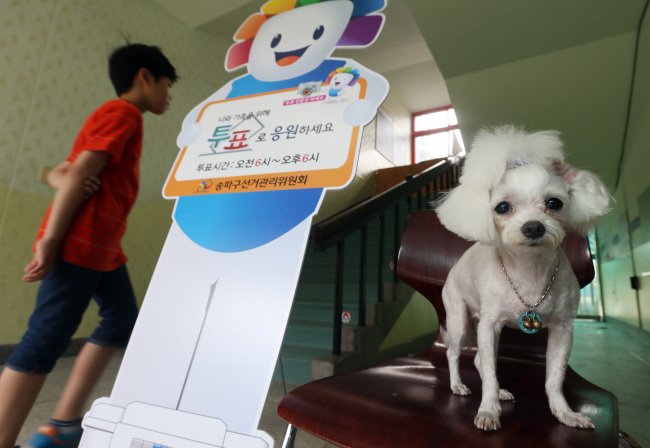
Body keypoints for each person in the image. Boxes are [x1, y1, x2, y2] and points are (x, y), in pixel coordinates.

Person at [0, 43, 177, 448]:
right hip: (81, 244)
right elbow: (77, 169)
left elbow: (63, 170)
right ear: (144, 76)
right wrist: (50, 240)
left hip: (104, 248)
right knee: (46, 339)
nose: (168, 95)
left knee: (120, 319)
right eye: (167, 84)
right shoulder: (124, 112)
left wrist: (63, 179)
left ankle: (63, 423)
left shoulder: (120, 117)